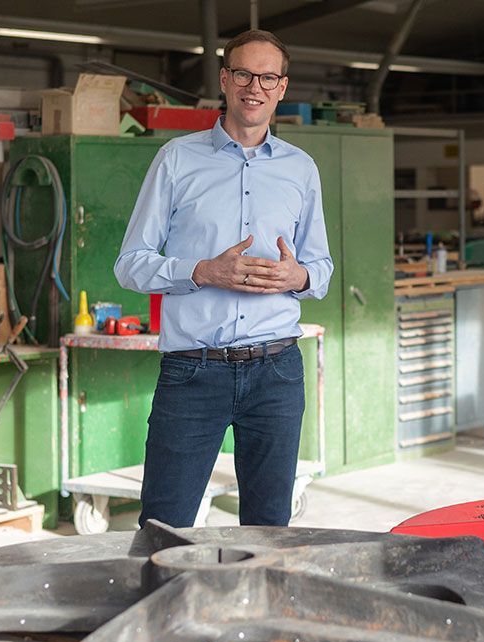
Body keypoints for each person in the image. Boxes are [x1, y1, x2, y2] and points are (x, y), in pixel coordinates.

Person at [114, 29, 333, 529]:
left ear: (282, 87)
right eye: (243, 73)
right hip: (193, 373)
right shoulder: (176, 159)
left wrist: (296, 275)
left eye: (268, 76)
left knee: (268, 532)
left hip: (277, 372)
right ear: (224, 79)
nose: (254, 86)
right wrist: (201, 271)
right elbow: (130, 263)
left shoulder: (302, 170)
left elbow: (320, 269)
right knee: (163, 529)